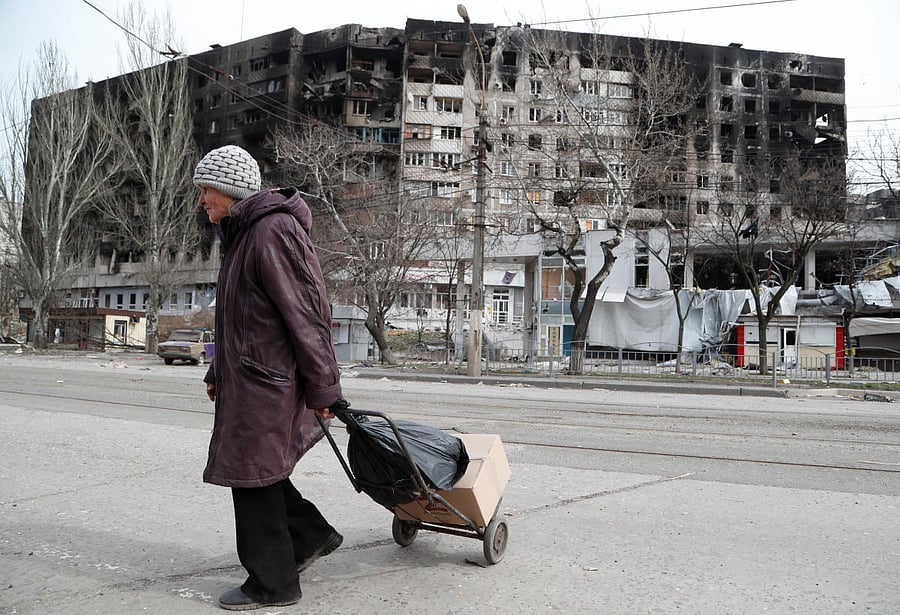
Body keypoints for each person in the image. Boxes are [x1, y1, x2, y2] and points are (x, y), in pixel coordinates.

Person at [193, 144, 345, 611]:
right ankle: (311, 536)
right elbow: (239, 318)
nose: (202, 202)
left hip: (268, 383)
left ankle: (273, 583)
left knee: (250, 475)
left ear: (231, 190)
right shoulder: (243, 234)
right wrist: (219, 367)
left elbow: (307, 315)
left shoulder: (273, 231)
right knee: (261, 472)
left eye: (206, 191)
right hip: (251, 379)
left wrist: (324, 389)